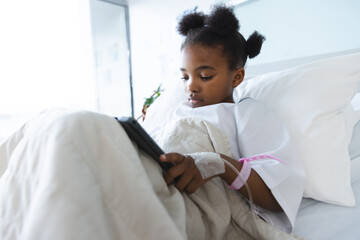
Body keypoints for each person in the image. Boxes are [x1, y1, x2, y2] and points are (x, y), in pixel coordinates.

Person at [155, 4, 306, 233]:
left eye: (205, 76)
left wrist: (215, 163)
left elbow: (276, 192)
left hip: (204, 208)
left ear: (237, 77)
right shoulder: (178, 112)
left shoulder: (247, 113)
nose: (191, 87)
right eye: (185, 77)